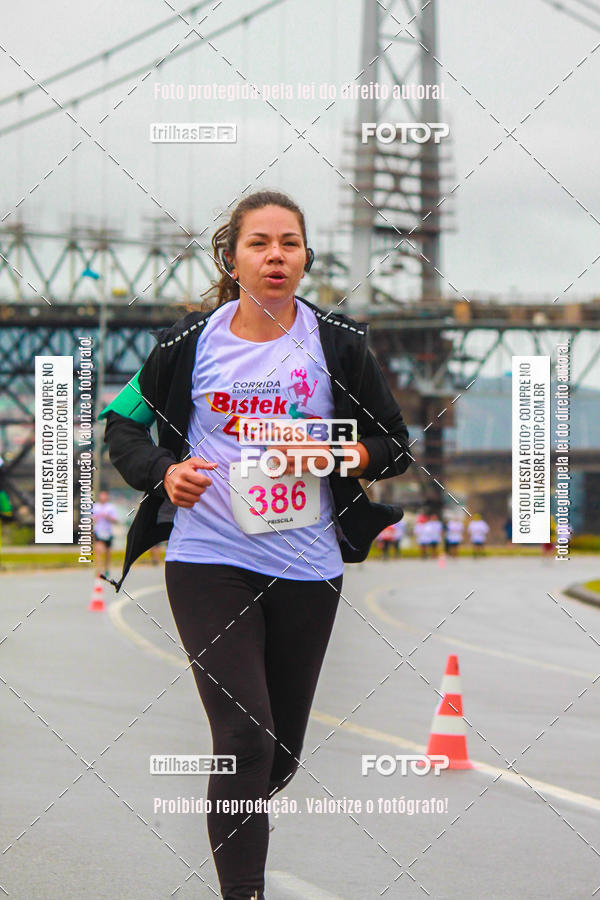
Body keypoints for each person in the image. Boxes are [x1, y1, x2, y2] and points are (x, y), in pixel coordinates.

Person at [99, 191, 412, 900]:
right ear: (231, 258)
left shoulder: (338, 343)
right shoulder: (187, 343)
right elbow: (122, 424)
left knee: (277, 754)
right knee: (245, 736)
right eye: (259, 243)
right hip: (208, 560)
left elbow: (392, 441)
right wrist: (164, 471)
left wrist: (338, 454)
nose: (276, 256)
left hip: (307, 567)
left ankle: (237, 811)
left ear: (305, 258)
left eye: (289, 243)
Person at [92, 490, 118, 576]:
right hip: (98, 531)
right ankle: (99, 569)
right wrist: (95, 519)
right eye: (101, 496)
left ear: (107, 497)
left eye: (104, 496)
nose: (103, 498)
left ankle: (107, 568)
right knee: (98, 550)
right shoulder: (95, 507)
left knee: (108, 553)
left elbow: (115, 520)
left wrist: (107, 517)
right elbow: (91, 519)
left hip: (108, 532)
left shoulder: (111, 507)